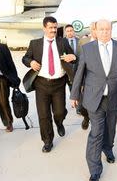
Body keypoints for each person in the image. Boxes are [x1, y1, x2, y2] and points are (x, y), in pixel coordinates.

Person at [70, 19, 117, 181]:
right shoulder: (87, 49)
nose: (105, 32)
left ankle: (108, 148)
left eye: (107, 29)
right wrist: (74, 95)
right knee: (97, 132)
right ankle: (94, 170)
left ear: (111, 30)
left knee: (110, 129)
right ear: (95, 30)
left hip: (114, 97)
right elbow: (79, 73)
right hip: (94, 99)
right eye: (101, 29)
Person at [22, 16, 76, 153]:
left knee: (59, 112)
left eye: (55, 27)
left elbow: (74, 57)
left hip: (59, 84)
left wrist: (73, 57)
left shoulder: (62, 42)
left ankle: (59, 122)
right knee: (44, 115)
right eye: (51, 28)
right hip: (41, 84)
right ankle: (47, 140)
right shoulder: (35, 44)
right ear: (44, 28)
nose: (53, 30)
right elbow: (25, 58)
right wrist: (30, 62)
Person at [75, 21, 98, 130]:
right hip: (86, 80)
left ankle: (96, 126)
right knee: (83, 106)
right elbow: (79, 62)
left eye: (96, 29)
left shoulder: (107, 43)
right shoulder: (83, 42)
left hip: (100, 82)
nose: (95, 31)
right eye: (93, 29)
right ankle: (86, 118)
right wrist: (79, 82)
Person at [64, 24, 79, 91]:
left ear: (74, 31)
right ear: (65, 32)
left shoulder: (80, 41)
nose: (69, 32)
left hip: (77, 69)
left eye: (71, 30)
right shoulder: (62, 42)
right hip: (66, 70)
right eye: (68, 31)